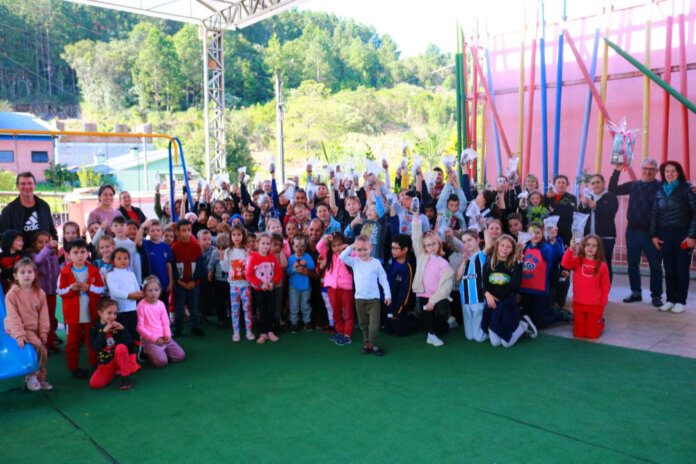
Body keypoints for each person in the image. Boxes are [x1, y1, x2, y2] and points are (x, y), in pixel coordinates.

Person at [608, 158, 663, 306]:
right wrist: (617, 171)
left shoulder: (662, 186)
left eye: (651, 169)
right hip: (632, 232)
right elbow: (613, 190)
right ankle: (636, 292)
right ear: (641, 170)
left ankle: (656, 296)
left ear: (656, 171)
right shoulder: (633, 185)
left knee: (655, 266)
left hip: (652, 234)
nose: (648, 171)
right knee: (632, 265)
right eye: (645, 168)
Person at [650, 161, 696, 313]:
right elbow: (655, 214)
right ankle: (670, 299)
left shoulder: (687, 188)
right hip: (665, 235)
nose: (669, 174)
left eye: (673, 171)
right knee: (669, 269)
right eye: (667, 171)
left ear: (679, 172)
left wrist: (691, 236)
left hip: (683, 235)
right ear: (663, 173)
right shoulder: (660, 190)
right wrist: (654, 235)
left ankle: (680, 301)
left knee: (681, 269)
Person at [57, 238, 104, 378]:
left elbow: (102, 289)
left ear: (87, 253)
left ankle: (94, 366)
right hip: (72, 317)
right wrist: (72, 289)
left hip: (91, 314)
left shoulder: (94, 271)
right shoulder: (64, 273)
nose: (79, 255)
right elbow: (60, 291)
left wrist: (89, 288)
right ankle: (73, 368)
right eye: (75, 252)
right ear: (68, 255)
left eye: (82, 252)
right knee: (72, 343)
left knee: (92, 342)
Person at [339, 235, 392, 356]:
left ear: (371, 248)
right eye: (359, 250)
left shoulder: (376, 263)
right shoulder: (354, 262)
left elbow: (383, 279)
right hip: (359, 299)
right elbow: (342, 257)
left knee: (374, 324)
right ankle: (367, 343)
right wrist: (352, 246)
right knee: (363, 324)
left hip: (374, 300)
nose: (362, 252)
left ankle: (373, 344)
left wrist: (387, 295)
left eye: (365, 249)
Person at [4, 258, 51, 391]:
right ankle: (32, 376)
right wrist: (20, 335)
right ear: (15, 276)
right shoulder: (12, 295)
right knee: (36, 345)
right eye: (22, 272)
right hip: (16, 328)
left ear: (35, 274)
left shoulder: (40, 293)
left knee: (43, 351)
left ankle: (39, 377)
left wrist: (43, 332)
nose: (26, 275)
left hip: (33, 328)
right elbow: (13, 317)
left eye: (30, 272)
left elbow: (44, 315)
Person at [411, 212, 454, 347]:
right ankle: (433, 334)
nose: (431, 247)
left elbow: (447, 286)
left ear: (439, 244)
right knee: (427, 322)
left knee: (441, 314)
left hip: (438, 296)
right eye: (428, 245)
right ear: (424, 247)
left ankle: (444, 324)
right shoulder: (422, 256)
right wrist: (416, 218)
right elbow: (416, 237)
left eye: (434, 244)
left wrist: (433, 300)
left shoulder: (443, 262)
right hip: (423, 293)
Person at [519, 224, 570, 331]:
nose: (535, 235)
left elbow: (553, 254)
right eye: (531, 233)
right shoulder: (525, 247)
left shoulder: (545, 247)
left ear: (543, 233)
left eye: (538, 232)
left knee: (539, 323)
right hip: (525, 290)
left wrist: (552, 240)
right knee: (528, 318)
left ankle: (560, 316)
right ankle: (551, 311)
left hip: (539, 291)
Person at [481, 235, 528, 348]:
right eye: (502, 245)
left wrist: (518, 265)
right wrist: (487, 295)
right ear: (497, 246)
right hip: (493, 305)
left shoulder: (513, 264)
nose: (504, 249)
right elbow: (484, 284)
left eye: (508, 247)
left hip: (507, 305)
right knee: (495, 343)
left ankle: (522, 326)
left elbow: (515, 287)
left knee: (506, 344)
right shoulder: (489, 263)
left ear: (513, 249)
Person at [562, 235, 611, 338]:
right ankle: (593, 322)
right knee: (578, 334)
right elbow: (565, 263)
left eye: (594, 246)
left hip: (595, 305)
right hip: (579, 303)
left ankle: (600, 323)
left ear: (598, 249)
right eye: (588, 245)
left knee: (592, 335)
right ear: (583, 246)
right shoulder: (577, 261)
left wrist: (603, 301)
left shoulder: (602, 266)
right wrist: (571, 248)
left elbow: (605, 285)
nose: (590, 248)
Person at [90, 298, 140, 390]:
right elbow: (95, 347)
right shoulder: (94, 329)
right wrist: (104, 331)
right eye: (109, 313)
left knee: (121, 348)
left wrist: (123, 329)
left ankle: (126, 379)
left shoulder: (118, 326)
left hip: (119, 360)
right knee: (95, 383)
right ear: (100, 313)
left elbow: (129, 344)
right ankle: (113, 373)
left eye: (115, 313)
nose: (113, 316)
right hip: (105, 364)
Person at [137, 276, 186, 367]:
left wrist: (167, 335)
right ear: (144, 292)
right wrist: (155, 339)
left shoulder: (161, 304)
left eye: (156, 290)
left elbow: (165, 322)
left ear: (160, 290)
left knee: (180, 356)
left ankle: (162, 351)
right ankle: (146, 349)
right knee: (162, 363)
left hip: (164, 337)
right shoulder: (141, 305)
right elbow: (140, 327)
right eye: (149, 290)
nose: (153, 293)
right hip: (150, 340)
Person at [0, 172, 57, 247]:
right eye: (23, 184)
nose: (27, 187)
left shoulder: (44, 206)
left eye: (30, 183)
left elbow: (51, 231)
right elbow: (3, 235)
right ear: (17, 186)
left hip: (43, 252)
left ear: (35, 185)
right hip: (21, 254)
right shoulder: (9, 210)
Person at [579, 174, 618, 281]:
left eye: (598, 182)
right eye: (593, 183)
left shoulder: (611, 196)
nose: (595, 185)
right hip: (590, 237)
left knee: (605, 263)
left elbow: (611, 213)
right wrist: (583, 205)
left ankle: (606, 289)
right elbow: (580, 215)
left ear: (603, 183)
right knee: (590, 263)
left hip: (606, 237)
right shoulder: (589, 196)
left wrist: (595, 206)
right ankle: (592, 286)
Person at [317, 232, 355, 344]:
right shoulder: (328, 255)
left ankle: (347, 334)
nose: (337, 248)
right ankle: (339, 332)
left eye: (339, 245)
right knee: (336, 312)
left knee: (348, 312)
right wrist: (325, 238)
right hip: (332, 288)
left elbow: (356, 254)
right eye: (333, 245)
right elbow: (319, 247)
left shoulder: (349, 255)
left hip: (346, 289)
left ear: (344, 244)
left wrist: (348, 248)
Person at [246, 233, 282, 344]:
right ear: (257, 244)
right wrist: (261, 284)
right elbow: (249, 274)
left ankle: (270, 331)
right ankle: (262, 332)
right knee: (261, 311)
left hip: (271, 289)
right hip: (258, 290)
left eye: (268, 244)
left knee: (270, 309)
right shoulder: (253, 257)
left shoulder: (272, 257)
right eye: (263, 243)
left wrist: (273, 282)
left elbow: (278, 272)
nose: (265, 246)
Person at [171, 219, 204, 337]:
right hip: (179, 284)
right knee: (179, 306)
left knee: (194, 306)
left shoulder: (196, 247)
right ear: (178, 232)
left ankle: (195, 327)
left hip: (193, 284)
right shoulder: (174, 248)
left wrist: (193, 281)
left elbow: (200, 266)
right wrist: (179, 281)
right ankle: (178, 328)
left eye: (189, 230)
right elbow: (172, 267)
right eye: (183, 230)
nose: (187, 233)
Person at [105, 248, 142, 352]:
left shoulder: (131, 274)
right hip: (120, 311)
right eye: (119, 258)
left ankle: (132, 358)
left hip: (132, 310)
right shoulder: (110, 275)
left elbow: (137, 289)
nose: (123, 261)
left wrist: (139, 294)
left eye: (126, 258)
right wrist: (130, 296)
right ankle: (123, 358)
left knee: (132, 333)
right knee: (122, 336)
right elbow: (114, 292)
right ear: (112, 261)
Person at [29, 231, 60, 352]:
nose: (44, 244)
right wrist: (48, 247)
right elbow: (38, 261)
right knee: (41, 320)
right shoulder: (33, 255)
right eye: (40, 242)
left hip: (52, 293)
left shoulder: (53, 255)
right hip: (40, 294)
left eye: (46, 242)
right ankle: (40, 344)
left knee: (51, 318)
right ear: (34, 243)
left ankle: (50, 342)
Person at [456, 230, 489, 342]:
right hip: (465, 300)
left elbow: (489, 246)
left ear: (478, 240)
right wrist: (464, 261)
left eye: (469, 240)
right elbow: (458, 277)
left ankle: (493, 332)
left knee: (479, 338)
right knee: (469, 336)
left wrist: (484, 228)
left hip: (478, 298)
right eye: (464, 242)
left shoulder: (481, 255)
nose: (467, 244)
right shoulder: (466, 259)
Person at [383, 234, 418, 336]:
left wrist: (397, 311)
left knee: (400, 332)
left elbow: (405, 294)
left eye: (396, 248)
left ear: (405, 249)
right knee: (387, 329)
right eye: (392, 248)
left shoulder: (407, 268)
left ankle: (413, 318)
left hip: (399, 306)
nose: (392, 251)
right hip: (386, 302)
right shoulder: (391, 261)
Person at [224, 224, 254, 341]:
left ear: (243, 236)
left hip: (246, 285)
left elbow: (250, 268)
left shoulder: (247, 251)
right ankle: (236, 332)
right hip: (233, 285)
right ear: (231, 236)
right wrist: (222, 258)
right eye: (234, 235)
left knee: (247, 309)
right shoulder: (228, 251)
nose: (236, 237)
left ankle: (248, 331)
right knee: (235, 309)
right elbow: (226, 269)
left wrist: (248, 257)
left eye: (239, 234)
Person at [287, 235, 316, 332]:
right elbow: (288, 272)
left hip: (306, 287)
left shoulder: (307, 257)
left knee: (306, 305)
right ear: (293, 247)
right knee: (294, 305)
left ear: (305, 247)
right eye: (297, 246)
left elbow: (313, 266)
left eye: (302, 246)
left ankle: (307, 321)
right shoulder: (291, 258)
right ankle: (294, 322)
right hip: (293, 287)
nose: (300, 249)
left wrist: (306, 263)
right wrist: (293, 268)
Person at [141, 220, 174, 307]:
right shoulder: (145, 244)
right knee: (150, 305)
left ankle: (165, 321)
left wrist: (170, 281)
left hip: (164, 281)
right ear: (147, 232)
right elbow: (137, 241)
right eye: (152, 230)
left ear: (162, 232)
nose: (155, 233)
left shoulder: (165, 246)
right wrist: (142, 226)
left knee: (164, 304)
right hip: (150, 282)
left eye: (158, 230)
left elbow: (169, 265)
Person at [1, 229, 27, 294]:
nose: (22, 242)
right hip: (5, 290)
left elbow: (20, 270)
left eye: (22, 240)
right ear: (9, 241)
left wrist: (3, 272)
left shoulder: (24, 255)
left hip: (22, 288)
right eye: (18, 240)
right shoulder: (1, 256)